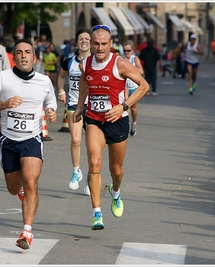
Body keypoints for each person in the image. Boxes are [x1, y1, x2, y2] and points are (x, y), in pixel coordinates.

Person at [0, 38, 57, 250]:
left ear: (34, 56)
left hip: (32, 139)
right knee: (14, 188)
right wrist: (4, 104)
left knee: (31, 182)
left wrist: (51, 111)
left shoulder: (44, 81)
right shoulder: (3, 78)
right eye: (19, 52)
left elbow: (51, 100)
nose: (24, 55)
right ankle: (21, 193)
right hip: (8, 141)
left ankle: (27, 232)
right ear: (14, 56)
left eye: (27, 52)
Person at [71, 25, 149, 230]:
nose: (99, 48)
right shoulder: (85, 64)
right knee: (94, 163)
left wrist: (124, 106)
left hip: (118, 120)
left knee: (116, 169)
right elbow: (85, 82)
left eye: (104, 44)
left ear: (111, 44)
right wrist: (80, 107)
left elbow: (144, 86)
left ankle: (115, 193)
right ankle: (97, 213)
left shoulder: (120, 64)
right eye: (96, 43)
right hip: (94, 119)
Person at [57, 28, 91, 194]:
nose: (84, 41)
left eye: (86, 38)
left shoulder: (97, 61)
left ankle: (91, 176)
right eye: (81, 39)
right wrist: (61, 91)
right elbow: (61, 76)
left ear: (91, 42)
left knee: (93, 145)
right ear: (77, 42)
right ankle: (76, 171)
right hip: (73, 104)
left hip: (92, 106)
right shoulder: (69, 61)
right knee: (76, 140)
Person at [123, 40, 144, 136]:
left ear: (132, 50)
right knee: (125, 107)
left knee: (134, 108)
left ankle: (134, 124)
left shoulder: (134, 59)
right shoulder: (121, 60)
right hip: (125, 87)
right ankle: (125, 126)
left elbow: (141, 71)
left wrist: (130, 67)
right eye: (125, 50)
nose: (126, 53)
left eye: (128, 50)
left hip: (134, 87)